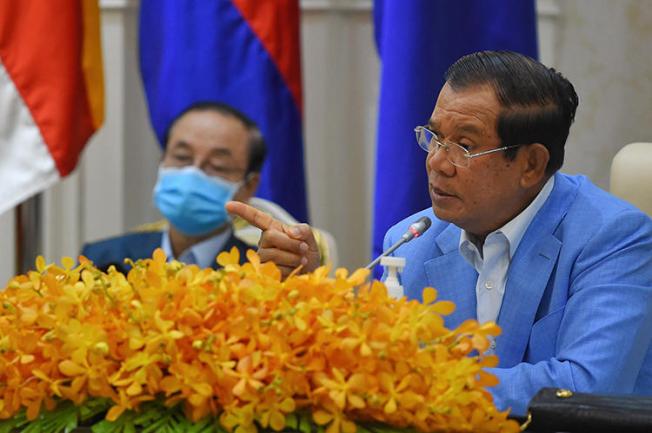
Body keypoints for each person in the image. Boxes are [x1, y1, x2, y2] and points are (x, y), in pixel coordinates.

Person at [226, 51, 652, 416]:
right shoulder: (414, 241)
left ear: (531, 165)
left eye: (464, 146)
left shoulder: (613, 238)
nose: (437, 163)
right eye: (434, 137)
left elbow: (585, 387)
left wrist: (426, 382)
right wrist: (310, 286)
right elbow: (377, 360)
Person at [81, 101, 265, 273]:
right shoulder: (103, 261)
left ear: (248, 186)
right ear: (162, 162)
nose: (193, 174)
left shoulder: (264, 273)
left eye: (218, 166)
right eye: (182, 157)